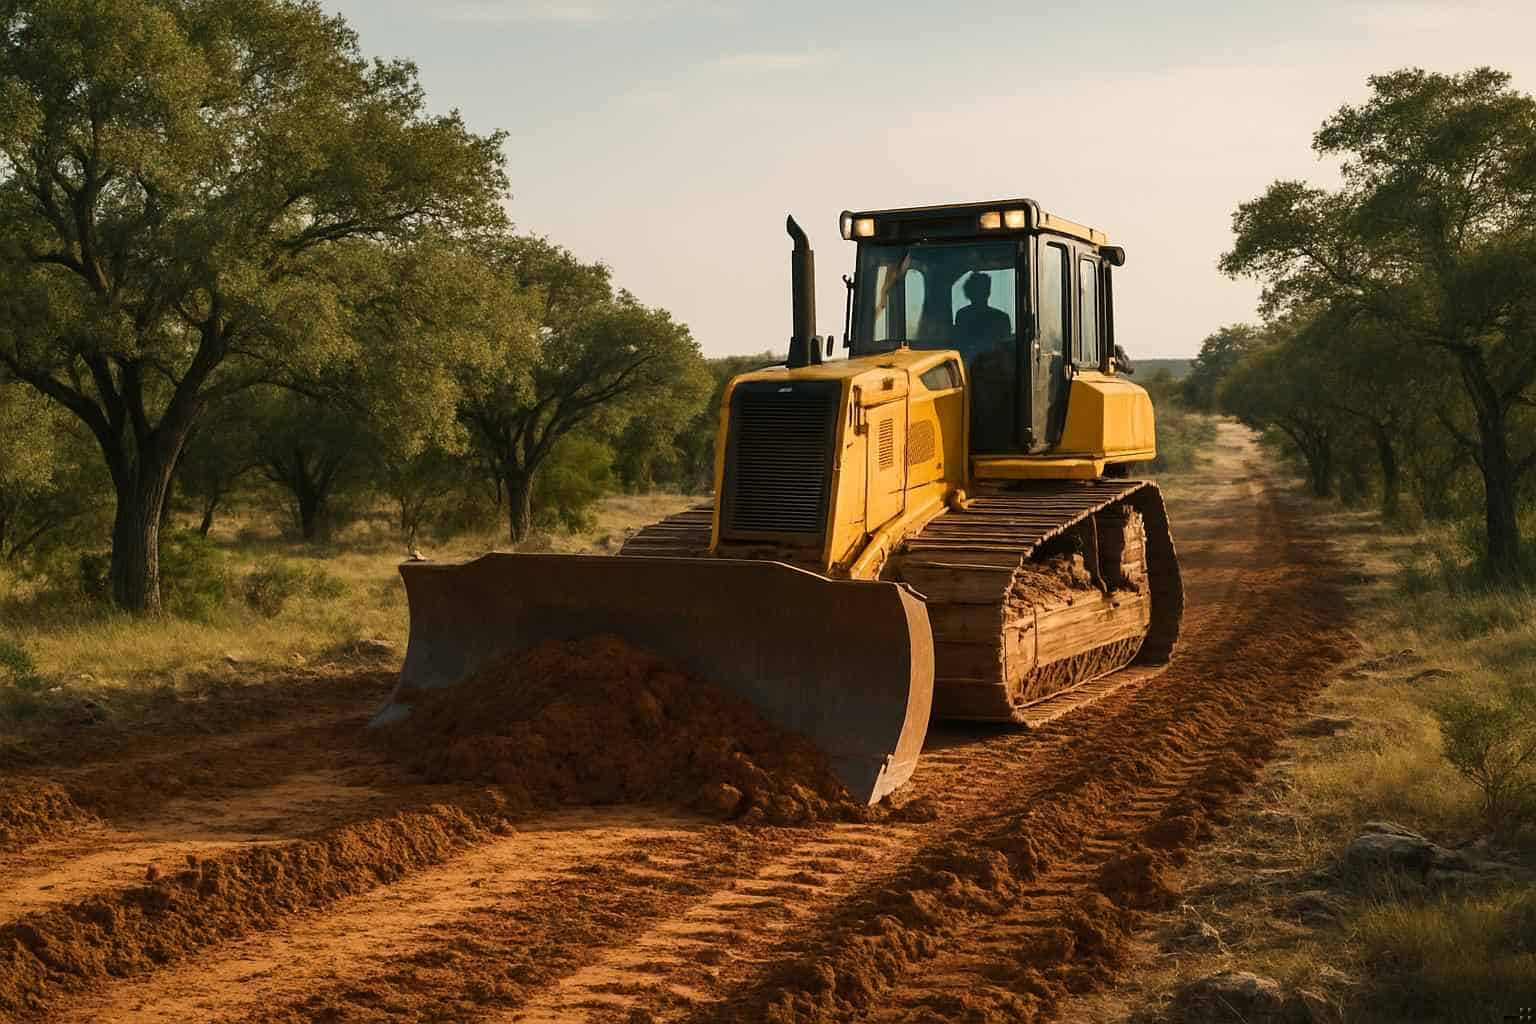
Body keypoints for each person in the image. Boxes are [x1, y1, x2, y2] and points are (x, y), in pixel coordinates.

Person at [953, 272, 1012, 358]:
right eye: (978, 290)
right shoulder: (1002, 318)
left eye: (983, 290)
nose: (980, 294)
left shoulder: (962, 315)